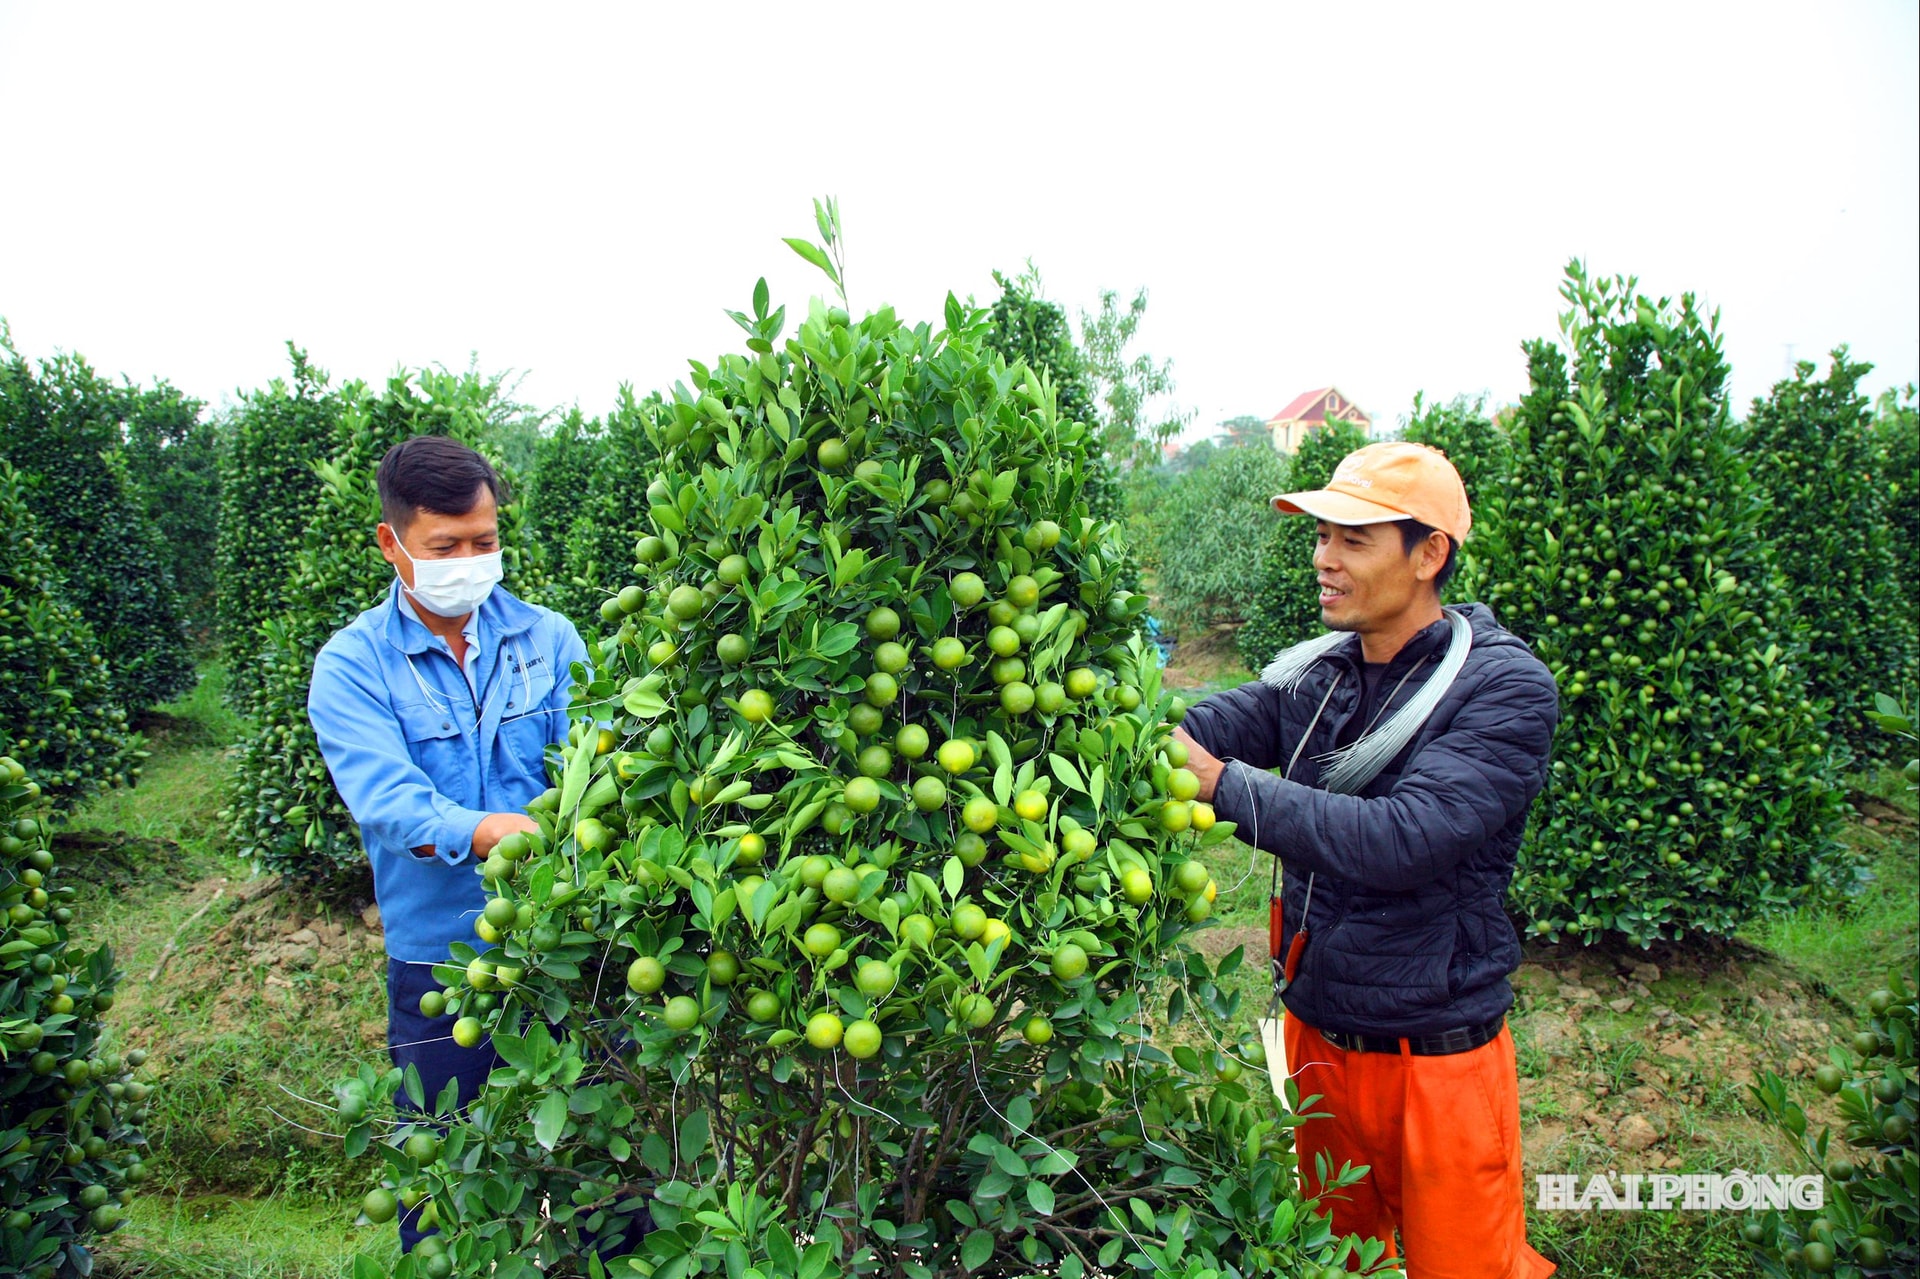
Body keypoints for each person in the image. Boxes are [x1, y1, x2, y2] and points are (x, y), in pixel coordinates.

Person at [1173, 441, 1559, 1279]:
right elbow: (1220, 723)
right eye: (1320, 536)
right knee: (1339, 1261)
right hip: (1320, 1037)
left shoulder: (1502, 688)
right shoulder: (1327, 673)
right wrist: (1132, 732)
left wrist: (1224, 786)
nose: (1323, 558)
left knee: (1467, 1268)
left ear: (1429, 554)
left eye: (1352, 539)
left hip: (1435, 1059)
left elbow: (1404, 838)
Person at [308, 434, 586, 1252]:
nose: (470, 559)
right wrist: (485, 827)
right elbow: (387, 800)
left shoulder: (549, 639)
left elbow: (603, 759)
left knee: (603, 1178)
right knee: (445, 1183)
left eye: (485, 541)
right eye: (447, 546)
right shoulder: (355, 665)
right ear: (393, 544)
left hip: (570, 947)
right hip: (443, 963)